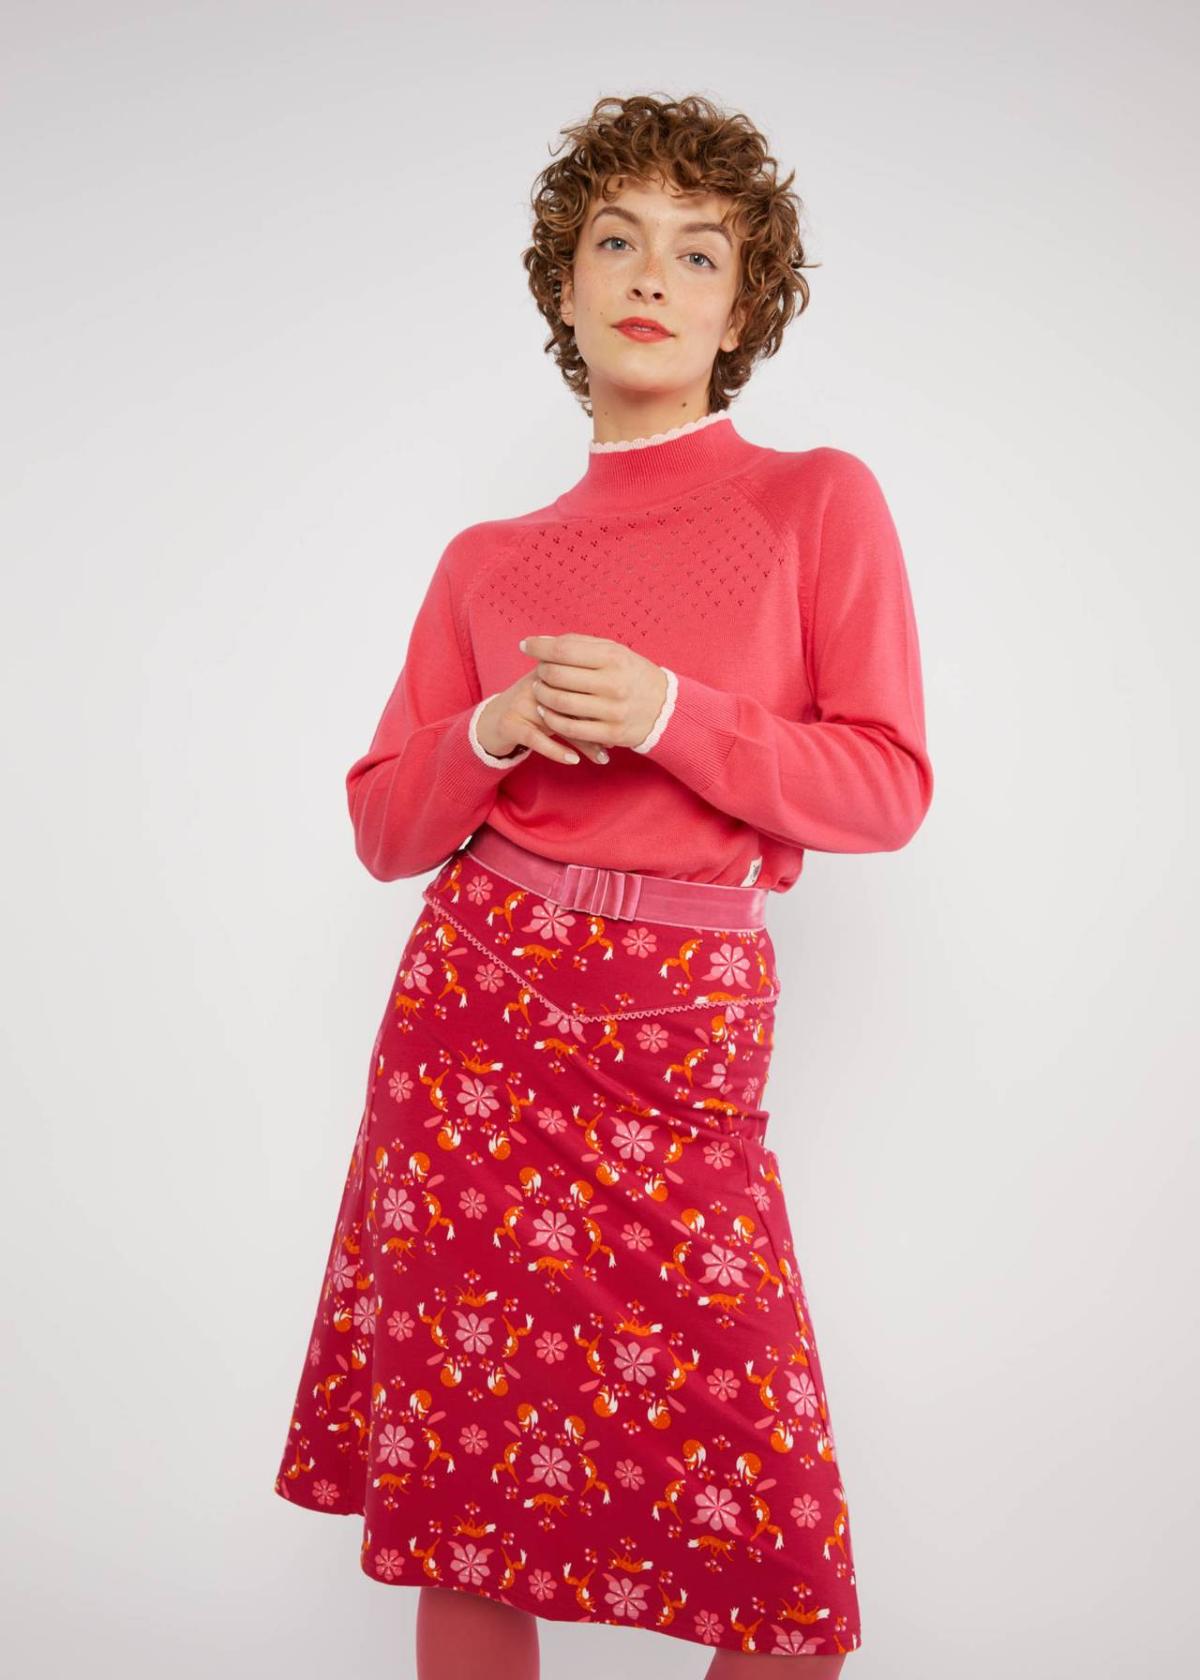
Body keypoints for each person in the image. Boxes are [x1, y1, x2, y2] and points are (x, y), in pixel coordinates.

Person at [272, 92, 934, 1679]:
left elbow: (887, 787)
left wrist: (667, 715)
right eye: (615, 241)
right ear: (563, 290)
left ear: (742, 308)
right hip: (475, 1014)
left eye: (698, 253)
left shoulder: (814, 500)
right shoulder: (487, 559)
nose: (651, 274)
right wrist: (492, 728)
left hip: (681, 1025)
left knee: (784, 1568)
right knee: (465, 1493)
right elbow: (382, 828)